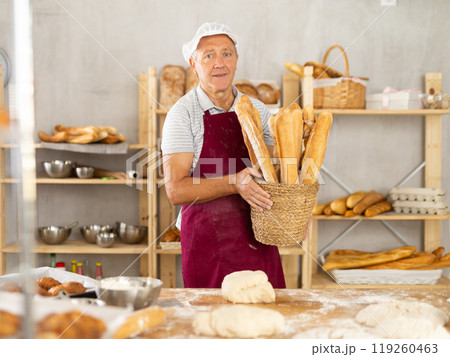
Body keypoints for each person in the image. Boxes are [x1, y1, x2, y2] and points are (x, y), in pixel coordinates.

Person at [161, 22, 285, 289]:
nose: (219, 63)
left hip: (258, 239)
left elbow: (274, 173)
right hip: (207, 247)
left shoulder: (259, 111)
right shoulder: (182, 115)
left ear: (237, 61)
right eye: (209, 55)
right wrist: (234, 183)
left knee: (266, 323)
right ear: (194, 65)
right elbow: (175, 190)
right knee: (212, 325)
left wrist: (293, 212)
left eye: (227, 53)